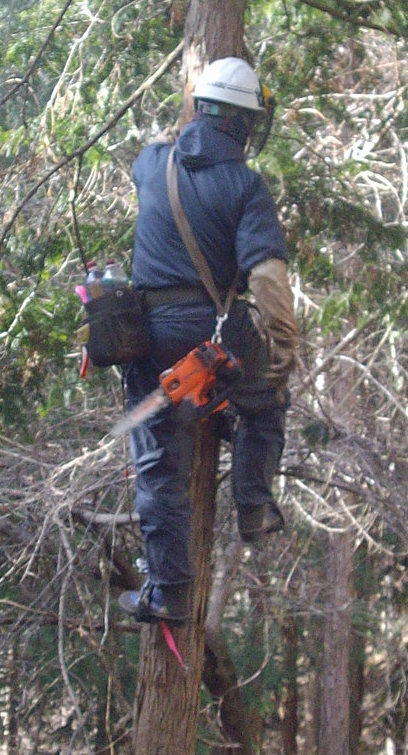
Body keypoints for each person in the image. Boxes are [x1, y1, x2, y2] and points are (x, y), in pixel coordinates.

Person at [118, 58, 299, 626]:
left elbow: (160, 149)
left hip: (151, 336)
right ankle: (253, 504)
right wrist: (281, 350)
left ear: (196, 109)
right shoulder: (246, 185)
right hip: (220, 332)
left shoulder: (152, 164)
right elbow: (267, 276)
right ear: (245, 124)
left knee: (157, 466)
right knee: (264, 403)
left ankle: (168, 590)